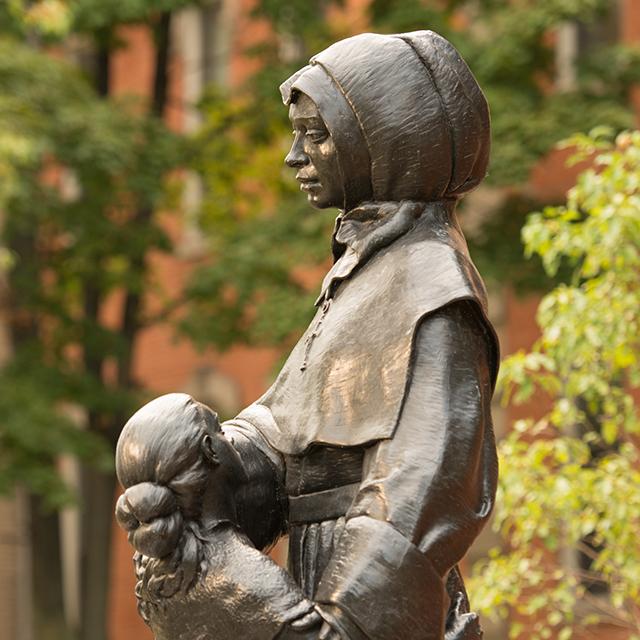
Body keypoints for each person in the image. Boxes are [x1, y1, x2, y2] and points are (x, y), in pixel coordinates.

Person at [218, 30, 500, 640]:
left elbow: (426, 484)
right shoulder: (365, 276)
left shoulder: (431, 284)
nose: (294, 157)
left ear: (388, 140)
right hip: (319, 581)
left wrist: (351, 620)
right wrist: (211, 462)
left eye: (316, 135)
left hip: (368, 608)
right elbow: (289, 435)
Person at [115, 393, 323, 640]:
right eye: (220, 430)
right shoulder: (251, 580)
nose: (232, 439)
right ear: (210, 449)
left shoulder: (157, 577)